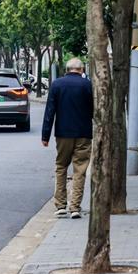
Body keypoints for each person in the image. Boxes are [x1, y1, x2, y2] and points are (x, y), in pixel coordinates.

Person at [41, 58, 93, 219]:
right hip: (83, 133)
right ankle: (75, 207)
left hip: (63, 134)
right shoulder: (87, 85)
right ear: (82, 69)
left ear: (67, 69)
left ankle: (60, 205)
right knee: (80, 170)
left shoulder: (57, 84)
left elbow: (50, 110)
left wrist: (45, 135)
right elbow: (93, 108)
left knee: (61, 166)